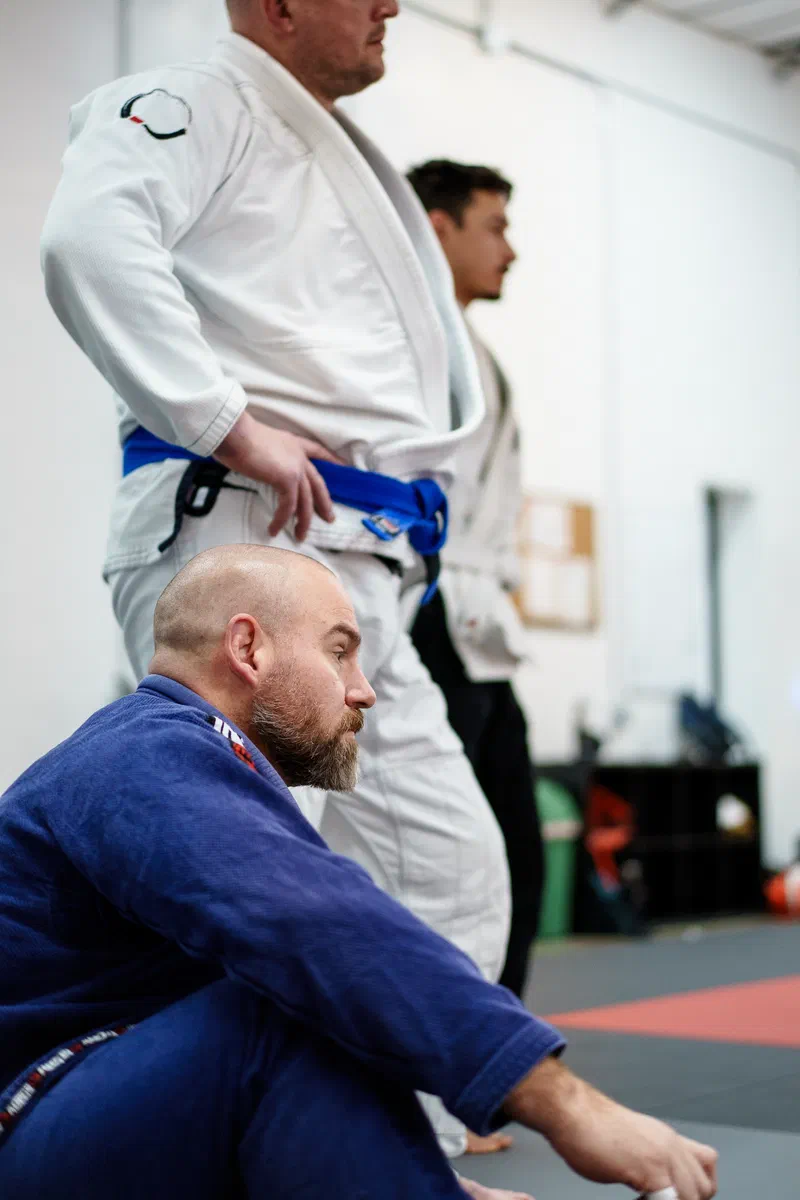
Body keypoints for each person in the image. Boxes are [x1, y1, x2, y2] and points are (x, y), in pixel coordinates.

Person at [40, 0, 507, 1157]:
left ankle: (386, 1151)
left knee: (447, 863)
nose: (393, 3)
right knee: (231, 887)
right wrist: (225, 421)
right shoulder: (199, 103)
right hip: (245, 538)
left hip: (349, 566)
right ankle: (172, 1141)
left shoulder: (321, 144)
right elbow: (88, 241)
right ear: (280, 3)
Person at [0, 546, 719, 1200]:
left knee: (312, 999)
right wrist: (568, 1106)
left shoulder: (180, 760)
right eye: (339, 652)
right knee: (295, 1003)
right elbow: (317, 928)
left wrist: (418, 1177)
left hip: (92, 1108)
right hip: (28, 1124)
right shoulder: (145, 754)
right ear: (248, 647)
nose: (363, 689)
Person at [407, 161, 542, 1000]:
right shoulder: (402, 339)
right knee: (444, 857)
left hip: (480, 628)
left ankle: (495, 1054)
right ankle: (442, 1059)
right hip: (420, 613)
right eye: (494, 227)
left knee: (516, 850)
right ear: (437, 226)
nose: (511, 250)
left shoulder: (478, 353)